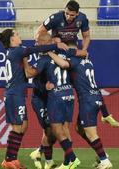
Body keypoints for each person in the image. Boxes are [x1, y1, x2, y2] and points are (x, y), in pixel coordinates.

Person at [0, 29, 68, 169]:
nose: (19, 35)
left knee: (23, 125)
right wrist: (55, 46)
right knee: (18, 126)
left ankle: (12, 159)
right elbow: (35, 49)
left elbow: (28, 70)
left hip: (18, 93)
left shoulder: (15, 52)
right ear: (12, 40)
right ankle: (9, 160)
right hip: (14, 94)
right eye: (16, 34)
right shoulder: (17, 50)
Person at [25, 33, 86, 169]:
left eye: (37, 42)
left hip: (54, 97)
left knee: (58, 129)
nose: (35, 44)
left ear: (45, 43)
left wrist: (22, 58)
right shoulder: (58, 55)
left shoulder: (46, 57)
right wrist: (43, 86)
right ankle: (49, 162)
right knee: (50, 130)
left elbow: (30, 74)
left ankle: (66, 160)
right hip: (42, 98)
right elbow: (35, 81)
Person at [48, 48, 114, 169]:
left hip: (87, 101)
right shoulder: (88, 62)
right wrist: (105, 113)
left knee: (91, 134)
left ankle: (104, 160)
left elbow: (63, 63)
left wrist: (49, 52)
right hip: (96, 97)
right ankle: (101, 155)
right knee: (79, 128)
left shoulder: (75, 61)